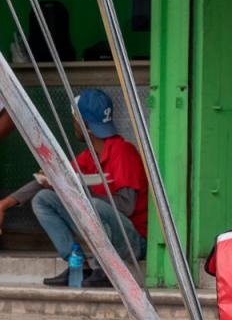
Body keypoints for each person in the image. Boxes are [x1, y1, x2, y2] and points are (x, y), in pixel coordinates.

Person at [0, 88, 147, 287]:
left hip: (134, 241)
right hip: (109, 231)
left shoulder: (123, 152)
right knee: (44, 199)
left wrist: (84, 196)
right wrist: (5, 204)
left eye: (74, 119)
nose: (73, 125)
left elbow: (127, 206)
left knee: (91, 205)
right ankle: (77, 264)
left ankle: (104, 269)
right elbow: (50, 178)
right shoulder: (90, 155)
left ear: (85, 125)